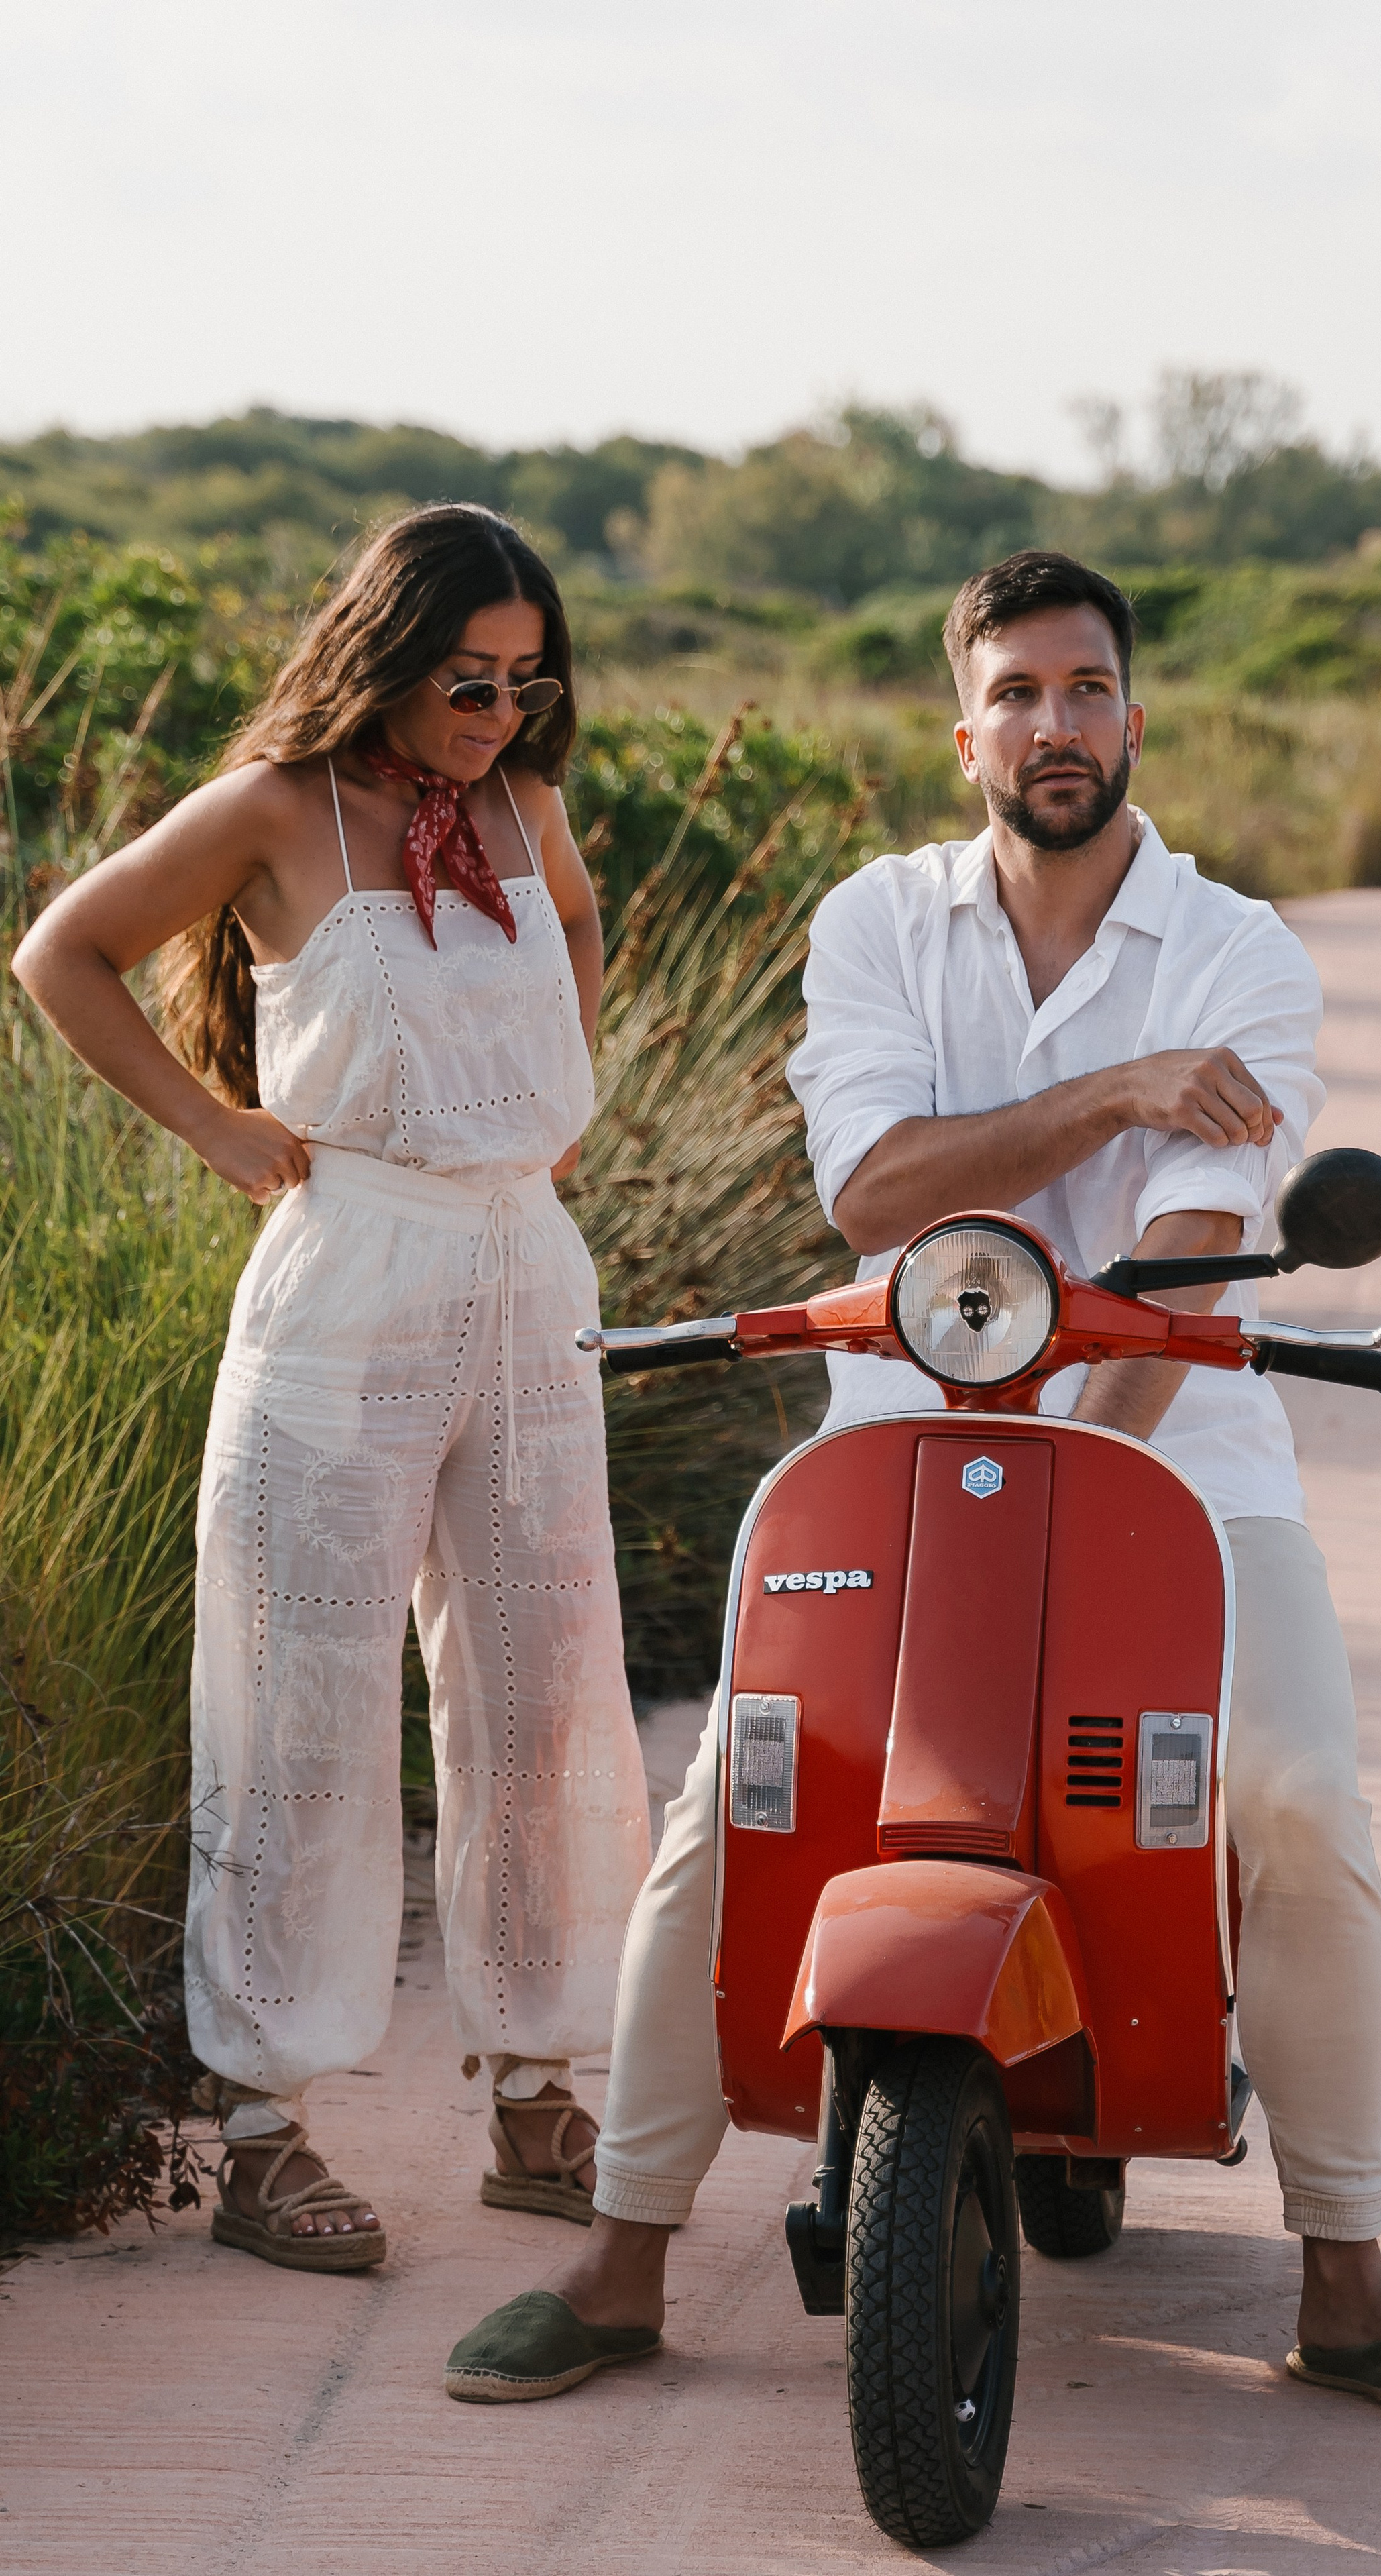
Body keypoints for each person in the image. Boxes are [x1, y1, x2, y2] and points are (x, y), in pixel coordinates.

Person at [445, 549, 1381, 2432]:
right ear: (968, 732)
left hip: (1178, 1462)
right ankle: (622, 2260)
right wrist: (1112, 1093)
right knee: (734, 1801)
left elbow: (1199, 1237)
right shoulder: (879, 923)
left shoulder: (1240, 946)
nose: (1057, 724)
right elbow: (874, 1200)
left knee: (1293, 1792)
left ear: (1134, 715)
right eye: (1018, 693)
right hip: (890, 1455)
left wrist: (1086, 1473)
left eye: (1087, 689)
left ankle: (1348, 2280)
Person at [13, 504, 650, 2271]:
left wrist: (553, 1103)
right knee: (304, 1703)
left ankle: (536, 2086)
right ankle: (266, 2130)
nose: (501, 712)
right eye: (471, 676)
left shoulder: (528, 812)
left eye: (531, 682)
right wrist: (220, 1126)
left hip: (527, 1272)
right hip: (345, 1271)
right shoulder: (281, 809)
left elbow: (578, 932)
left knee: (543, 1696)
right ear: (392, 649)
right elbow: (61, 948)